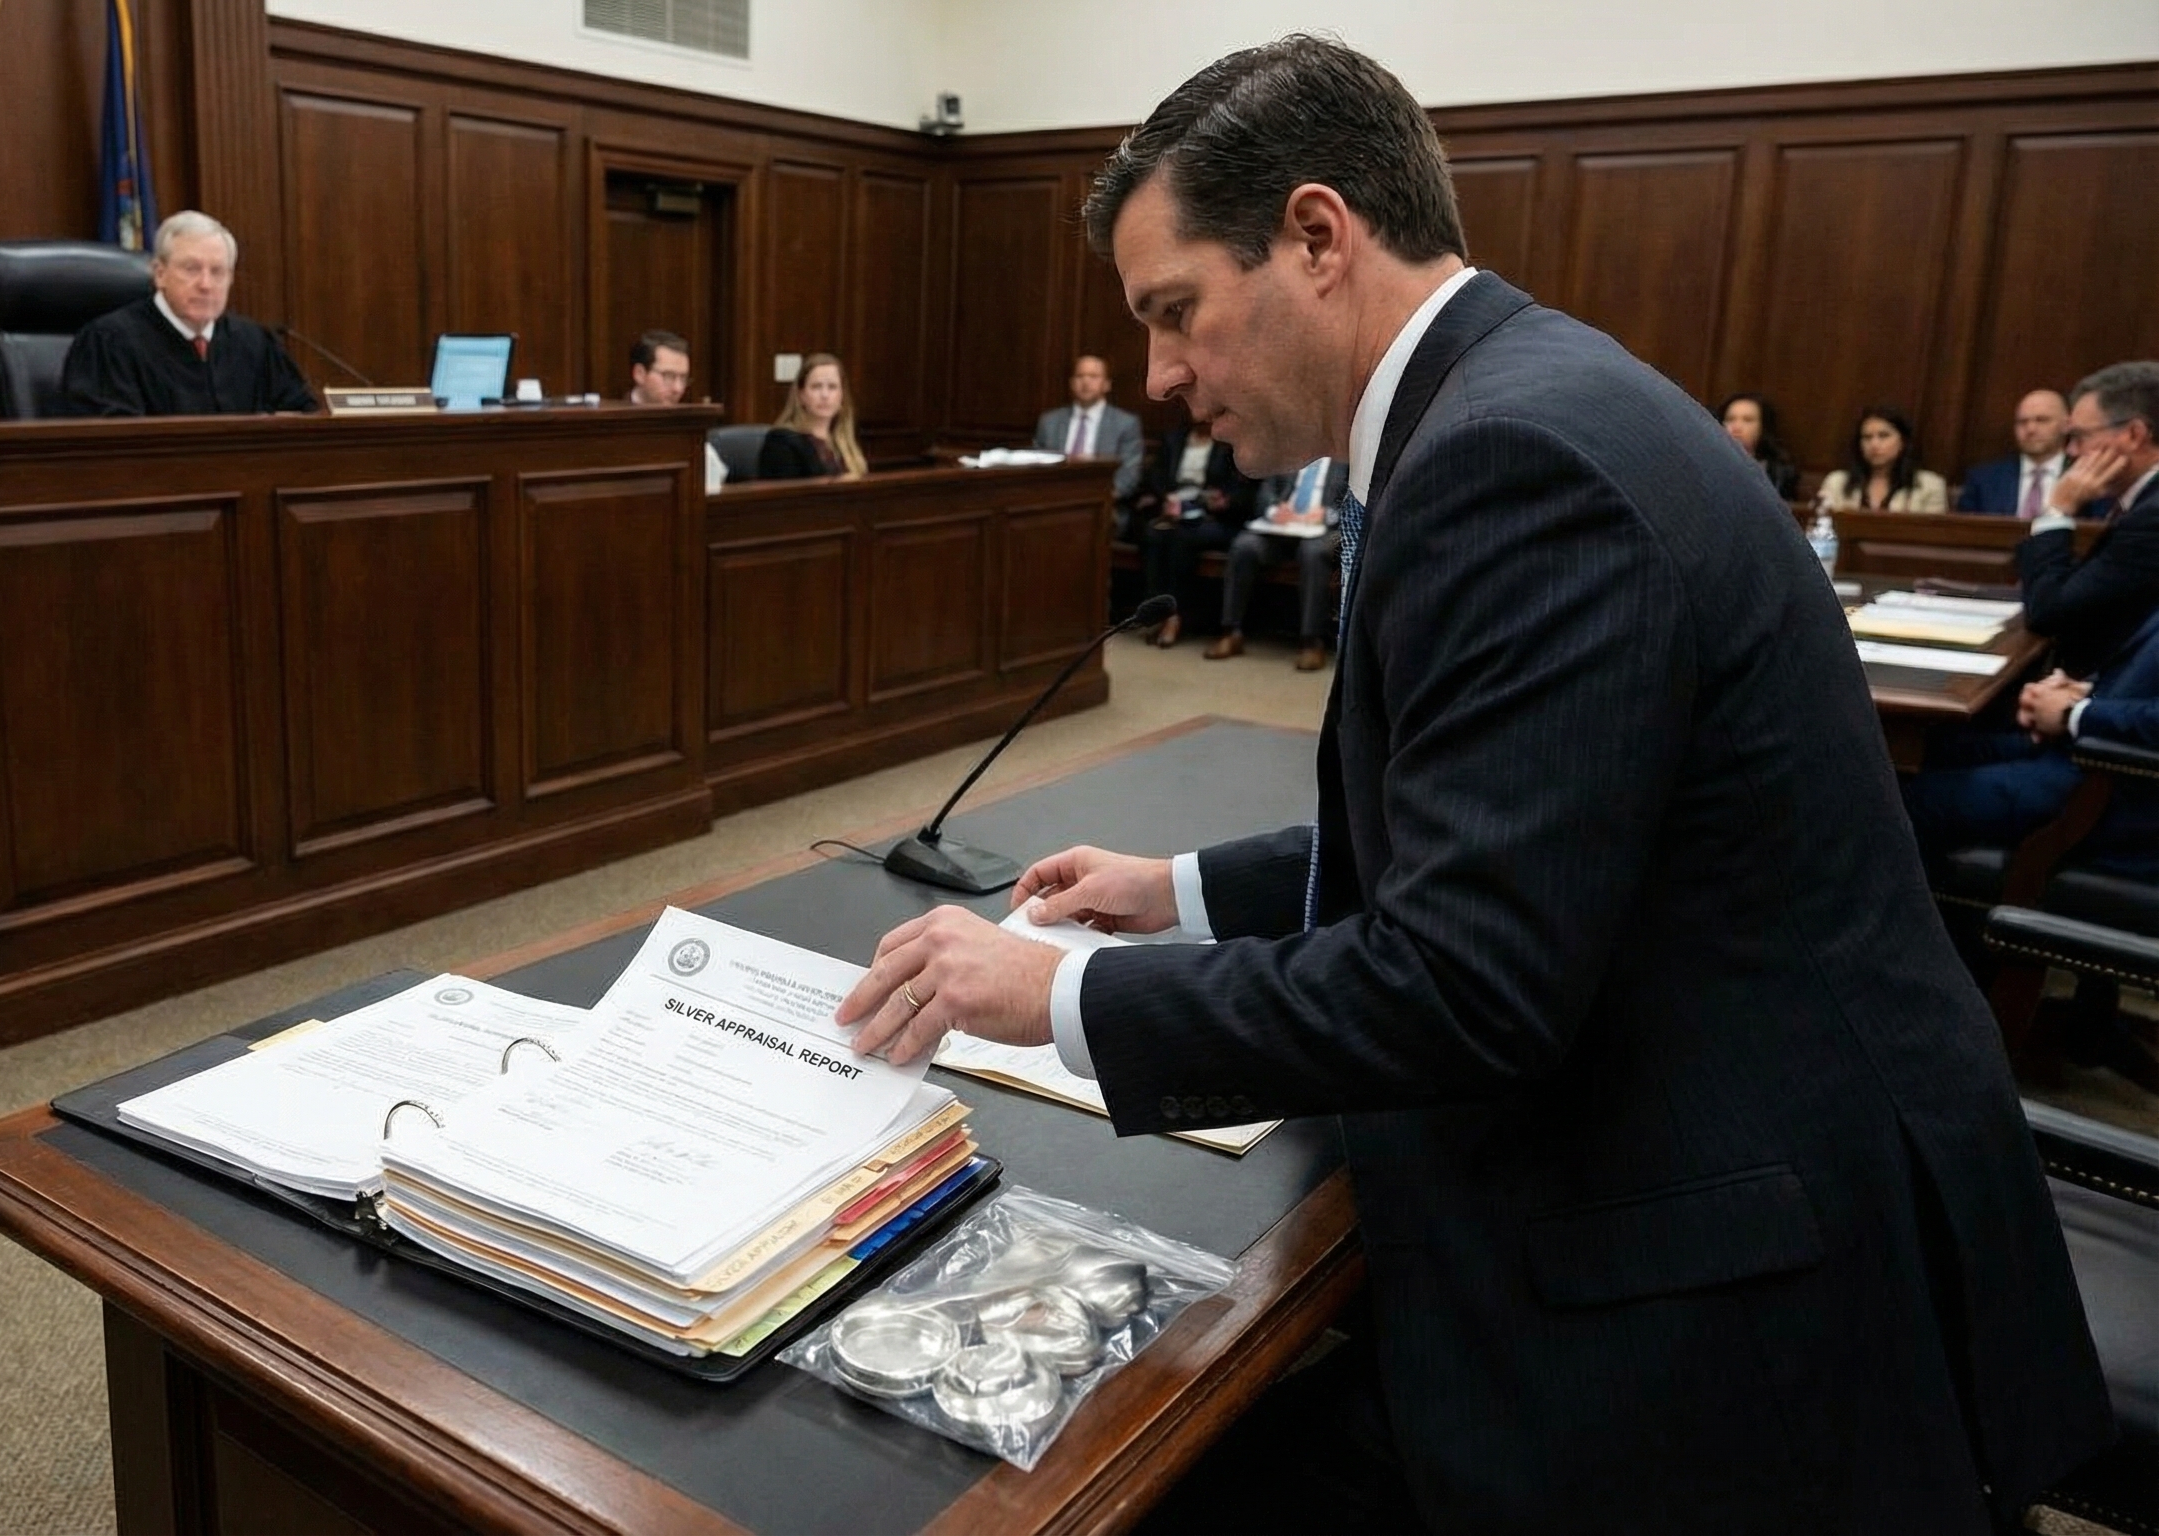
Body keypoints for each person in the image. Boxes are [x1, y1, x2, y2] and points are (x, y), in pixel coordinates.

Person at [833, 35, 2106, 1533]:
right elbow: (1514, 822)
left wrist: (1049, 999)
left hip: (1733, 1279)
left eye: (1175, 313)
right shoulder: (1516, 393)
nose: (1165, 376)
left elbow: (1466, 983)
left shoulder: (1512, 460)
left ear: (1316, 237)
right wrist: (1173, 891)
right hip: (1746, 1131)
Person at [1904, 605, 2159, 873]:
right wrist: (2077, 692)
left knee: (1911, 799)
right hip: (2079, 752)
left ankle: (1916, 913)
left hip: (2108, 787)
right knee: (1932, 748)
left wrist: (2076, 712)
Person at [58, 210, 316, 417]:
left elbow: (302, 413)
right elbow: (112, 444)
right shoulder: (109, 342)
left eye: (217, 271)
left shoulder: (256, 343)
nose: (205, 284)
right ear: (160, 273)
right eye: (191, 269)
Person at [2019, 360, 2159, 676]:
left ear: (2134, 434)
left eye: (2080, 437)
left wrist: (2057, 510)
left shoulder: (2152, 518)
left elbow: (2048, 611)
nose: (2071, 451)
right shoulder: (2144, 504)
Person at [1208, 455, 1347, 668]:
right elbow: (1265, 495)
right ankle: (1231, 631)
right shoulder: (1287, 453)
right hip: (1281, 529)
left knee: (1313, 552)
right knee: (1244, 545)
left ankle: (1311, 641)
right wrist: (1275, 510)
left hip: (1324, 530)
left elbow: (1357, 502)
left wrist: (1326, 514)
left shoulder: (1345, 459)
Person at [1130, 422, 1249, 646]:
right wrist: (1167, 501)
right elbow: (1156, 476)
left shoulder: (1231, 441)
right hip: (1175, 512)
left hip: (1216, 518)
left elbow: (1242, 489)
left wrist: (1222, 502)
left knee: (1181, 537)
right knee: (1153, 534)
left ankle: (1176, 616)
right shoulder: (1174, 439)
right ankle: (1157, 611)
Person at [1033, 354, 1146, 523]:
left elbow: (1128, 476)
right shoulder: (1049, 422)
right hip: (1053, 504)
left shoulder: (1126, 424)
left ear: (1106, 384)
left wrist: (1090, 500)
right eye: (1080, 376)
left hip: (1103, 506)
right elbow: (1035, 468)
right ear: (1072, 383)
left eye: (1093, 376)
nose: (1085, 382)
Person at [1956, 389, 2071, 519]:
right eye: (2022, 422)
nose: (2030, 429)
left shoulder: (2088, 476)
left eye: (2042, 420)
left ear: (2066, 425)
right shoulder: (1983, 480)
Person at [1816, 405, 1948, 511]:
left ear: (1903, 441)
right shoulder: (1836, 482)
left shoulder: (1930, 486)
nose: (1874, 445)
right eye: (1867, 437)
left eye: (1883, 436)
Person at [769, 353, 867, 479]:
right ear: (801, 395)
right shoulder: (782, 442)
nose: (825, 395)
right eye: (816, 387)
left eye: (832, 387)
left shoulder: (844, 441)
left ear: (842, 396)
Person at [1716, 392, 1797, 500]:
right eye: (1730, 419)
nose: (1736, 427)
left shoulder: (1780, 470)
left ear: (1763, 427)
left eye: (1747, 420)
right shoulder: (1708, 463)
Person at [627, 330, 690, 406]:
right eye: (668, 376)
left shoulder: (689, 416)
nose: (678, 388)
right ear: (639, 374)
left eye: (683, 378)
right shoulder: (615, 414)